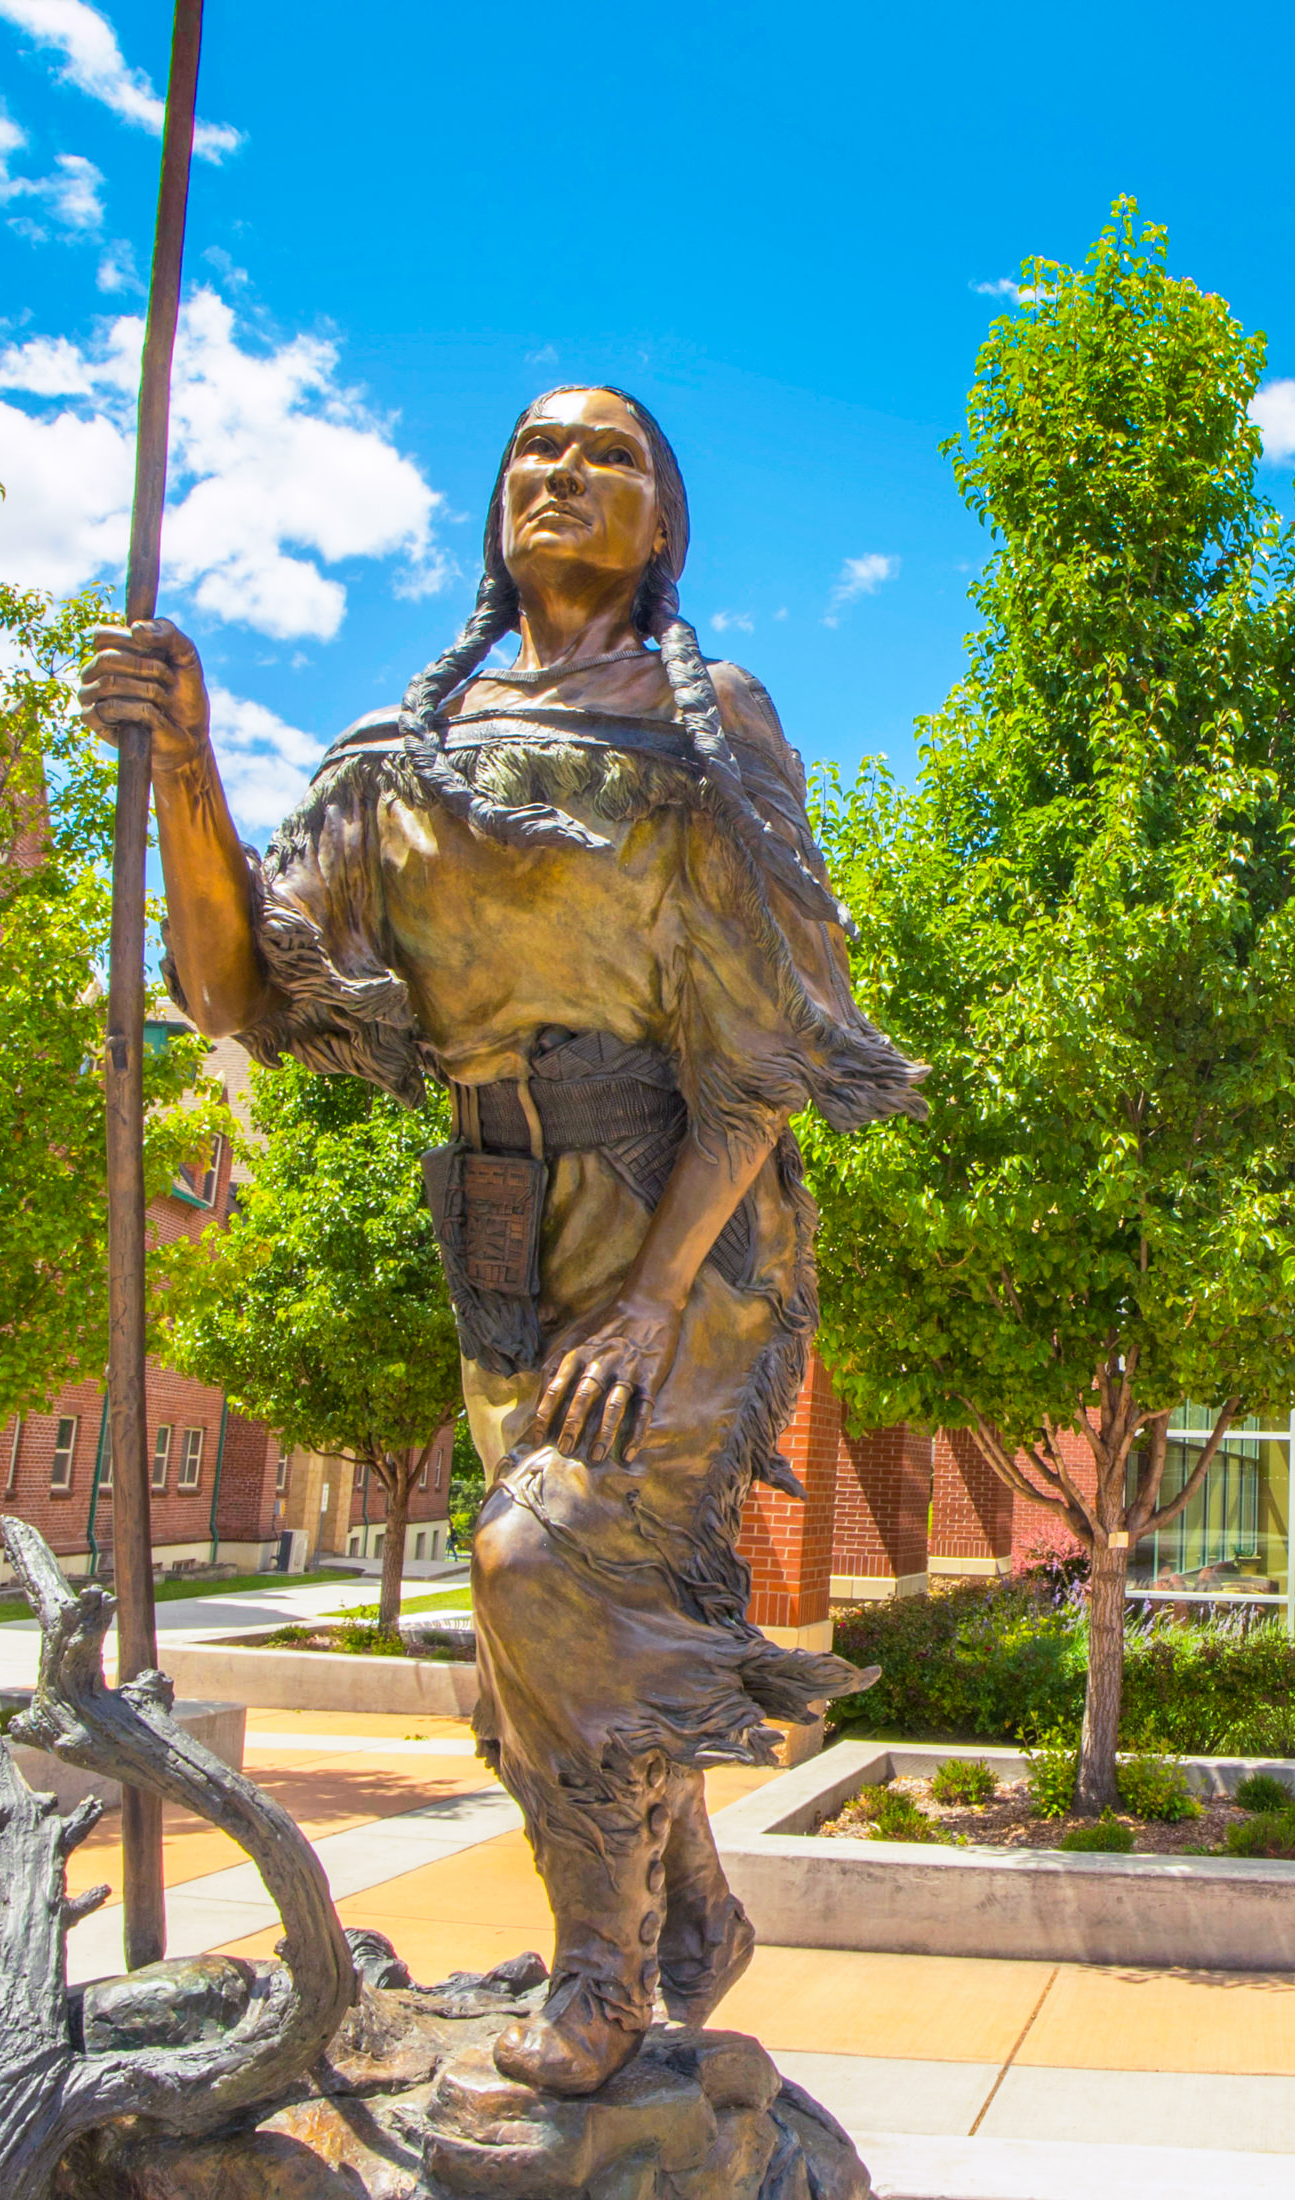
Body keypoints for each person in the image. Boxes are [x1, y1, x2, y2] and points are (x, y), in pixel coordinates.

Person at [82, 386, 922, 2096]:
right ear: (495, 508)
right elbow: (237, 987)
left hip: (687, 1217)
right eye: (536, 452)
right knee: (550, 1627)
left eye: (610, 455)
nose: (564, 474)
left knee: (541, 1570)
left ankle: (602, 1980)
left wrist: (653, 1301)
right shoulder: (410, 744)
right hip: (493, 1225)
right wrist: (186, 763)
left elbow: (760, 1050)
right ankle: (685, 1898)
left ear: (662, 525)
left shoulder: (705, 722)